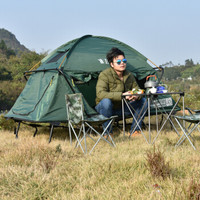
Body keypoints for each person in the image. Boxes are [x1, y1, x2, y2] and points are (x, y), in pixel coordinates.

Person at [95, 47, 147, 137]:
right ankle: (107, 133)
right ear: (111, 64)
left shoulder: (129, 75)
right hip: (105, 109)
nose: (122, 63)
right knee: (106, 102)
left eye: (124, 61)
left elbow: (137, 90)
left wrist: (135, 95)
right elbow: (100, 94)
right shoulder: (104, 74)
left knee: (144, 101)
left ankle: (135, 130)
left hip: (122, 108)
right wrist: (122, 95)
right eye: (118, 62)